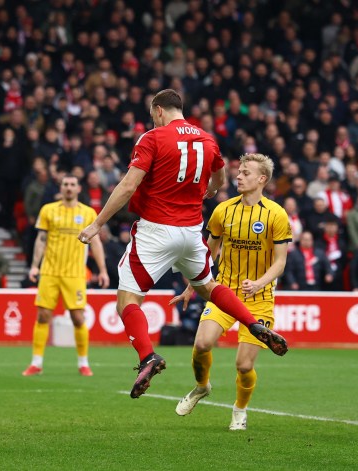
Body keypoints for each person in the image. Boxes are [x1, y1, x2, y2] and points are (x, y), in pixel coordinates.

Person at [78, 90, 287, 400]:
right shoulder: (208, 140)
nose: (153, 120)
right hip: (191, 230)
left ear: (159, 110)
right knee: (208, 288)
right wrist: (210, 192)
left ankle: (148, 356)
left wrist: (97, 224)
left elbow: (128, 185)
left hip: (156, 229)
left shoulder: (152, 138)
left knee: (127, 301)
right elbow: (218, 180)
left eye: (153, 115)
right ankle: (253, 323)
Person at [169, 153, 291, 431]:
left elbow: (280, 262)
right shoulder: (223, 210)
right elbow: (208, 253)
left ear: (262, 179)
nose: (238, 176)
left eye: (246, 173)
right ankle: (201, 387)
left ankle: (240, 409)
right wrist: (192, 285)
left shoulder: (276, 214)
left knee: (244, 366)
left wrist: (260, 282)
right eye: (239, 171)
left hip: (259, 298)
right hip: (222, 291)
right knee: (201, 344)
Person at [22, 174, 109, 377]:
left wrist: (102, 270)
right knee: (43, 315)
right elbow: (41, 239)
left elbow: (95, 243)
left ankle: (83, 363)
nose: (69, 188)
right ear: (60, 188)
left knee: (78, 318)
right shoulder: (48, 210)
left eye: (72, 184)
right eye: (65, 184)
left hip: (75, 273)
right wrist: (34, 266)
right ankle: (36, 362)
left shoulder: (88, 213)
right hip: (50, 271)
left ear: (79, 189)